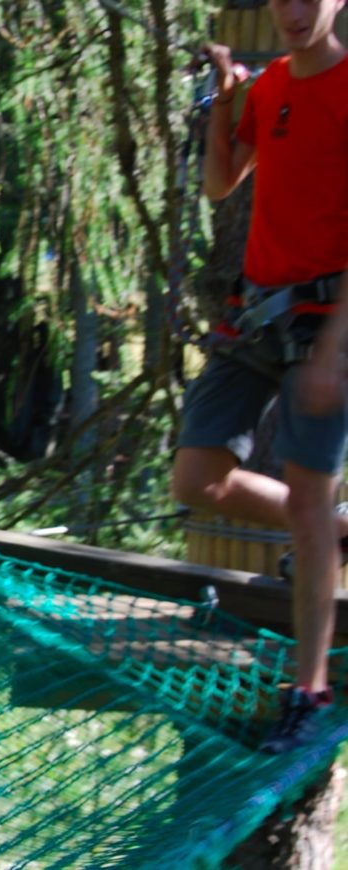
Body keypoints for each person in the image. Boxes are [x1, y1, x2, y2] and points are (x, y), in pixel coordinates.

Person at [170, 0, 348, 754]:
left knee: (307, 496)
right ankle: (333, 531)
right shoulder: (271, 88)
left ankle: (307, 689)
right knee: (197, 478)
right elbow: (219, 184)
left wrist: (337, 349)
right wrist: (222, 100)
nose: (296, 8)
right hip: (256, 316)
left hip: (328, 322)